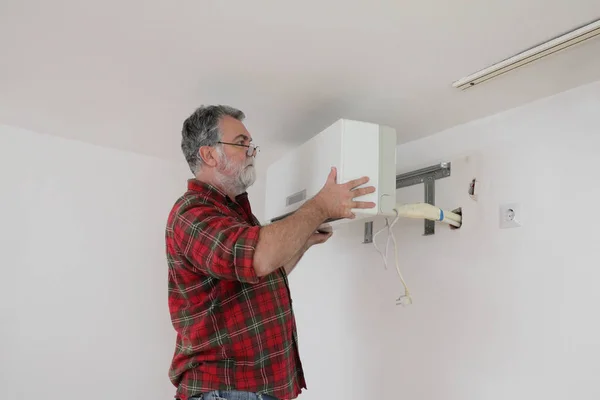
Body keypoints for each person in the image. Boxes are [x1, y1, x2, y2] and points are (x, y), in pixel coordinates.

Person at [165, 105, 376, 400]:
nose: (251, 151)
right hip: (226, 389)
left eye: (250, 144)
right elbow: (258, 258)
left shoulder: (235, 214)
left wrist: (303, 241)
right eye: (241, 143)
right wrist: (320, 207)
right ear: (209, 154)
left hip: (254, 388)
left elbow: (260, 275)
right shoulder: (192, 213)